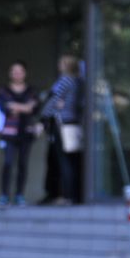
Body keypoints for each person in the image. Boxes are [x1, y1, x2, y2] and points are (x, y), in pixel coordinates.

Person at [40, 54, 84, 205]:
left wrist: (43, 118)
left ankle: (67, 195)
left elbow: (52, 100)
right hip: (73, 123)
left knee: (64, 160)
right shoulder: (78, 81)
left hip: (62, 124)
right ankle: (71, 195)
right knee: (71, 160)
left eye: (61, 62)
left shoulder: (65, 80)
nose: (59, 65)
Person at [0, 61, 38, 207]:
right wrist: (25, 107)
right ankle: (4, 195)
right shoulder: (3, 90)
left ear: (24, 73)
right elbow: (4, 108)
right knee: (8, 162)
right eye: (14, 71)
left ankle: (19, 195)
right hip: (9, 133)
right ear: (10, 73)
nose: (17, 74)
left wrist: (14, 105)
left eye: (20, 71)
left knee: (22, 164)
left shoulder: (31, 90)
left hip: (26, 132)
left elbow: (33, 108)